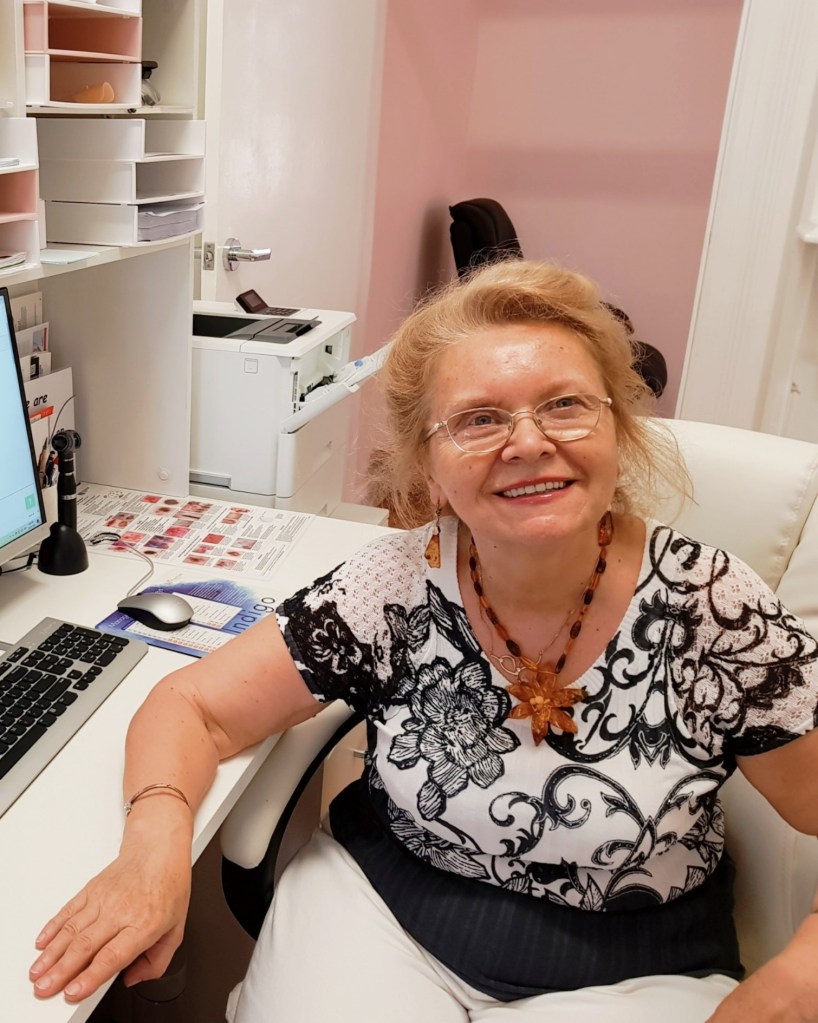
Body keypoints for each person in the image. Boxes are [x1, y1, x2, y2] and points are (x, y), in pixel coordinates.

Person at [29, 261, 818, 1021]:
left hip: (637, 961)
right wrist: (154, 845)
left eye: (565, 405)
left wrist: (799, 975)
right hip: (387, 908)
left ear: (618, 428)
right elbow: (194, 706)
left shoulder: (711, 607)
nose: (527, 442)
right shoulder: (398, 581)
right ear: (431, 469)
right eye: (479, 419)